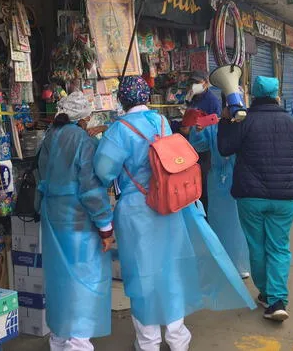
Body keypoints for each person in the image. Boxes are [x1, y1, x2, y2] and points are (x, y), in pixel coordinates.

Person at [94, 76, 256, 351]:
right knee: (169, 270)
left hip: (136, 212)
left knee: (142, 274)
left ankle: (148, 341)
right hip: (169, 205)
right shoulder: (161, 122)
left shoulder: (118, 131)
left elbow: (103, 171)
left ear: (122, 99)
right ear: (146, 96)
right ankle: (177, 337)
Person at [218, 76, 293, 322]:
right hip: (284, 198)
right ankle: (277, 299)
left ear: (253, 96)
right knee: (279, 247)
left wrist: (226, 119)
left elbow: (224, 149)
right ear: (277, 96)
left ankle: (269, 295)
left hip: (250, 197)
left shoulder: (243, 122)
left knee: (257, 246)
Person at [36, 92, 115, 351]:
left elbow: (44, 174)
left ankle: (58, 339)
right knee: (83, 284)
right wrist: (106, 228)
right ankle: (78, 343)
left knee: (59, 282)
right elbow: (91, 190)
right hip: (78, 224)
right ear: (84, 117)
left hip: (52, 218)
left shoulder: (51, 135)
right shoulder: (84, 142)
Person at [189, 119, 251, 280]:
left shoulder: (241, 124)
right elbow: (199, 145)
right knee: (225, 223)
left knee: (236, 223)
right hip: (225, 180)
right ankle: (231, 263)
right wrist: (197, 130)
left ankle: (237, 263)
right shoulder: (216, 127)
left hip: (230, 179)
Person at [180, 70, 222, 214]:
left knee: (203, 182)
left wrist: (194, 130)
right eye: (193, 82)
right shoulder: (192, 98)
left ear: (205, 83)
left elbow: (214, 126)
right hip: (190, 147)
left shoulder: (212, 101)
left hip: (205, 150)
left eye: (197, 82)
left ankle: (206, 213)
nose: (194, 85)